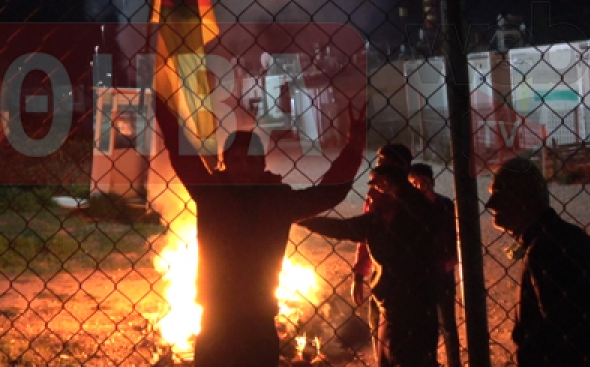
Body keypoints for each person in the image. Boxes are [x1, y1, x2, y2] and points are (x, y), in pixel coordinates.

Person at [153, 94, 368, 367]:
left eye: (251, 162)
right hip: (217, 317)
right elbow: (181, 153)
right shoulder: (212, 195)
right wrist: (159, 106)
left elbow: (328, 193)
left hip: (259, 319)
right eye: (236, 161)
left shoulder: (277, 202)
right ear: (224, 163)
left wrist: (353, 147)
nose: (244, 168)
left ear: (262, 165)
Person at [486, 157, 590, 367]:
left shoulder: (546, 250)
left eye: (499, 193)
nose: (490, 204)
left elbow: (566, 337)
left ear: (525, 197)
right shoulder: (563, 237)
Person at [300, 162, 445, 367]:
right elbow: (341, 227)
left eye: (377, 189)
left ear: (392, 192)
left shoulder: (415, 218)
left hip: (415, 307)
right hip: (391, 307)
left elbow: (430, 214)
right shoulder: (375, 222)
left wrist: (398, 187)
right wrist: (304, 220)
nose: (369, 195)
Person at [350, 144, 414, 358]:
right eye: (378, 164)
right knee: (379, 335)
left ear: (401, 169)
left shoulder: (413, 200)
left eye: (385, 164)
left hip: (408, 283)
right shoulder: (374, 195)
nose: (379, 169)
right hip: (380, 279)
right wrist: (359, 275)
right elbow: (366, 238)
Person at [408, 162, 462, 367]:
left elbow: (456, 235)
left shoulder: (445, 205)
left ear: (431, 181)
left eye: (422, 181)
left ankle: (454, 362)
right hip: (420, 273)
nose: (419, 186)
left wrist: (452, 259)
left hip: (442, 269)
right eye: (413, 182)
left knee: (447, 321)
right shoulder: (408, 207)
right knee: (425, 323)